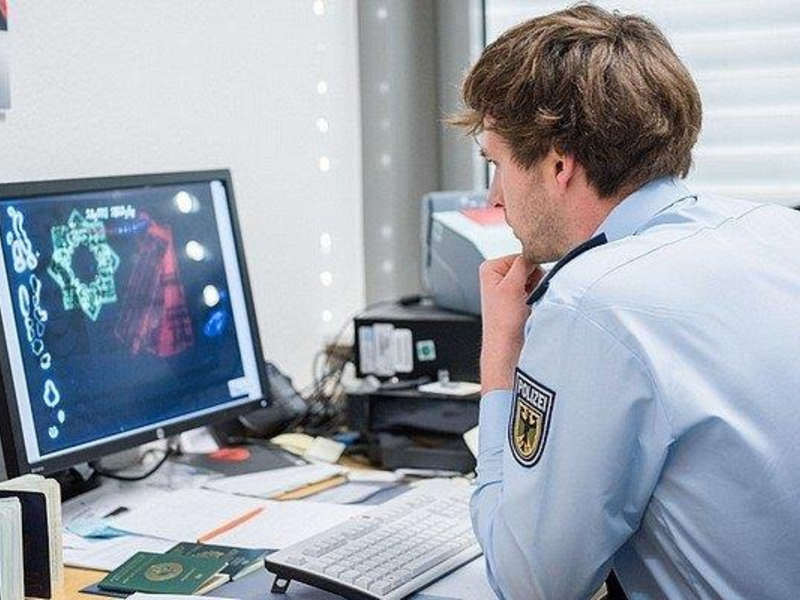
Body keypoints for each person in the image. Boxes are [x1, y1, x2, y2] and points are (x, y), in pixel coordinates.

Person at [450, 4, 800, 599]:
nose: (495, 198)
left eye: (498, 164)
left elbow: (531, 585)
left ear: (559, 163)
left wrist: (500, 363)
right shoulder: (775, 231)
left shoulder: (593, 302)